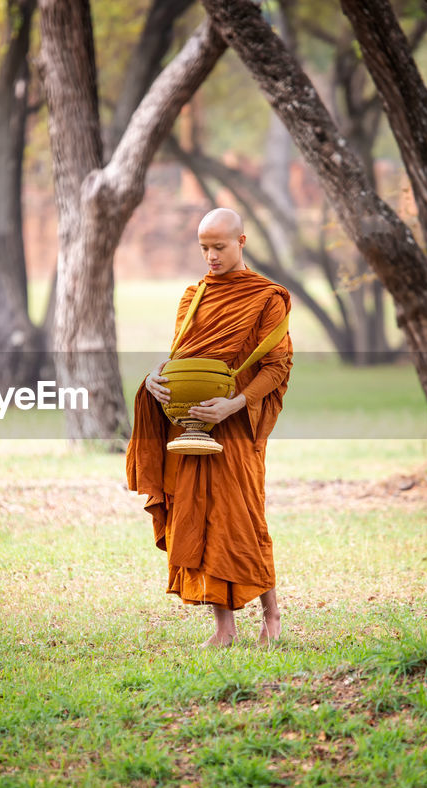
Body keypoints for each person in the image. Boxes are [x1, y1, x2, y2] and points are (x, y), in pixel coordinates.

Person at [125, 207, 293, 647]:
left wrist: (234, 404)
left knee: (244, 518)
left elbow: (276, 368)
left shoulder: (266, 298)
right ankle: (224, 627)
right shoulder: (193, 296)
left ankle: (271, 616)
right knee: (202, 517)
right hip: (191, 420)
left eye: (218, 247)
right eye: (203, 248)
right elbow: (180, 356)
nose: (211, 257)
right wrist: (155, 379)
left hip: (235, 423)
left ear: (241, 241)